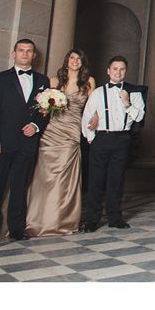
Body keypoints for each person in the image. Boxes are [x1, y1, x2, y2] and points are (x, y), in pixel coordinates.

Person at [0, 39, 50, 243]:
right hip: (2, 143)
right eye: (21, 50)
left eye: (29, 51)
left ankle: (17, 229)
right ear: (14, 53)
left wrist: (36, 126)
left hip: (27, 144)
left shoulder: (42, 81)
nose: (25, 54)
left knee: (20, 187)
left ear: (34, 56)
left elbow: (45, 111)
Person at [24, 49, 94, 237]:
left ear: (83, 62)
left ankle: (63, 220)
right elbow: (43, 108)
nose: (75, 61)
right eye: (72, 57)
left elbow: (92, 107)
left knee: (64, 177)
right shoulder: (54, 81)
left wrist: (94, 121)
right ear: (66, 60)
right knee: (44, 176)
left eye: (79, 59)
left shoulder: (89, 82)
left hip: (71, 132)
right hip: (51, 132)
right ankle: (39, 220)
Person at [79, 55, 145, 231]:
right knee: (96, 181)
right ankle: (92, 219)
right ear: (108, 71)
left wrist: (126, 103)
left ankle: (115, 217)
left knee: (116, 180)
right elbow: (86, 117)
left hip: (122, 138)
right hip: (101, 138)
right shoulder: (98, 92)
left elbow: (139, 116)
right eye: (115, 69)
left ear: (126, 72)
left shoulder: (134, 93)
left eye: (122, 69)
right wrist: (93, 139)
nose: (118, 72)